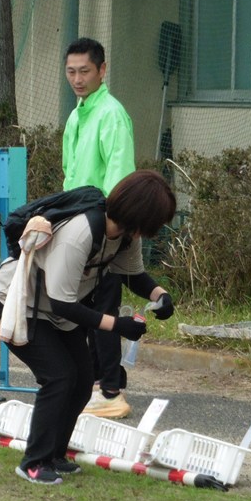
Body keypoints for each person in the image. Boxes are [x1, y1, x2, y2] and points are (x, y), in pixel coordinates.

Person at [0, 170, 176, 485]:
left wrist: (160, 296)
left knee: (83, 380)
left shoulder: (125, 236)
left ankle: (55, 455)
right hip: (17, 304)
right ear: (141, 216)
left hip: (53, 309)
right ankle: (33, 462)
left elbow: (132, 275)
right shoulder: (81, 233)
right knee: (59, 376)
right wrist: (117, 325)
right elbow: (64, 304)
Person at [62, 37, 138, 420]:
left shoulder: (111, 114)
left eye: (85, 71)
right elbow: (69, 174)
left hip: (105, 231)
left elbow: (120, 179)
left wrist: (111, 232)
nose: (78, 79)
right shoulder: (77, 115)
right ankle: (95, 385)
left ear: (102, 70)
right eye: (71, 72)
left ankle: (111, 390)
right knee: (85, 312)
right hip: (79, 229)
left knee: (104, 310)